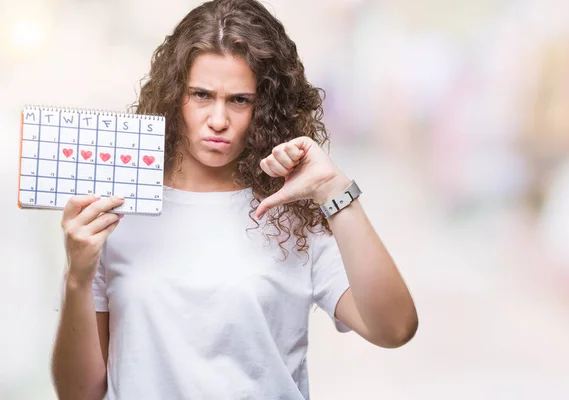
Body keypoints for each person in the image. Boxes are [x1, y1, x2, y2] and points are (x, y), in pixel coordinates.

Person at [51, 0, 418, 399]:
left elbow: (394, 328)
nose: (219, 120)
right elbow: (78, 393)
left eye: (240, 100)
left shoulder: (291, 210)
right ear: (175, 95)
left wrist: (333, 189)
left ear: (266, 106)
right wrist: (78, 276)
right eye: (202, 95)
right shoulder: (116, 209)